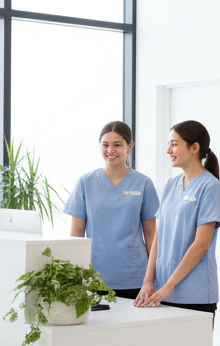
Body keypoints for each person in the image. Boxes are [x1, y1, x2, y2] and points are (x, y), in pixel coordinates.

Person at [136, 121, 220, 346]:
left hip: (195, 295)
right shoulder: (172, 185)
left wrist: (170, 284)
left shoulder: (211, 187)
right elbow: (158, 237)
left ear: (194, 148)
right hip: (162, 291)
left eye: (174, 143)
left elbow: (201, 244)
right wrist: (150, 281)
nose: (168, 149)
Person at [65, 122, 160, 303]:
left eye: (117, 145)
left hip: (135, 277)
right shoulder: (85, 182)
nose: (111, 150)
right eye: (105, 145)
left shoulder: (143, 183)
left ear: (129, 146)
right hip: (94, 276)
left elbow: (151, 234)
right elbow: (76, 233)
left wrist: (154, 276)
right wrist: (73, 275)